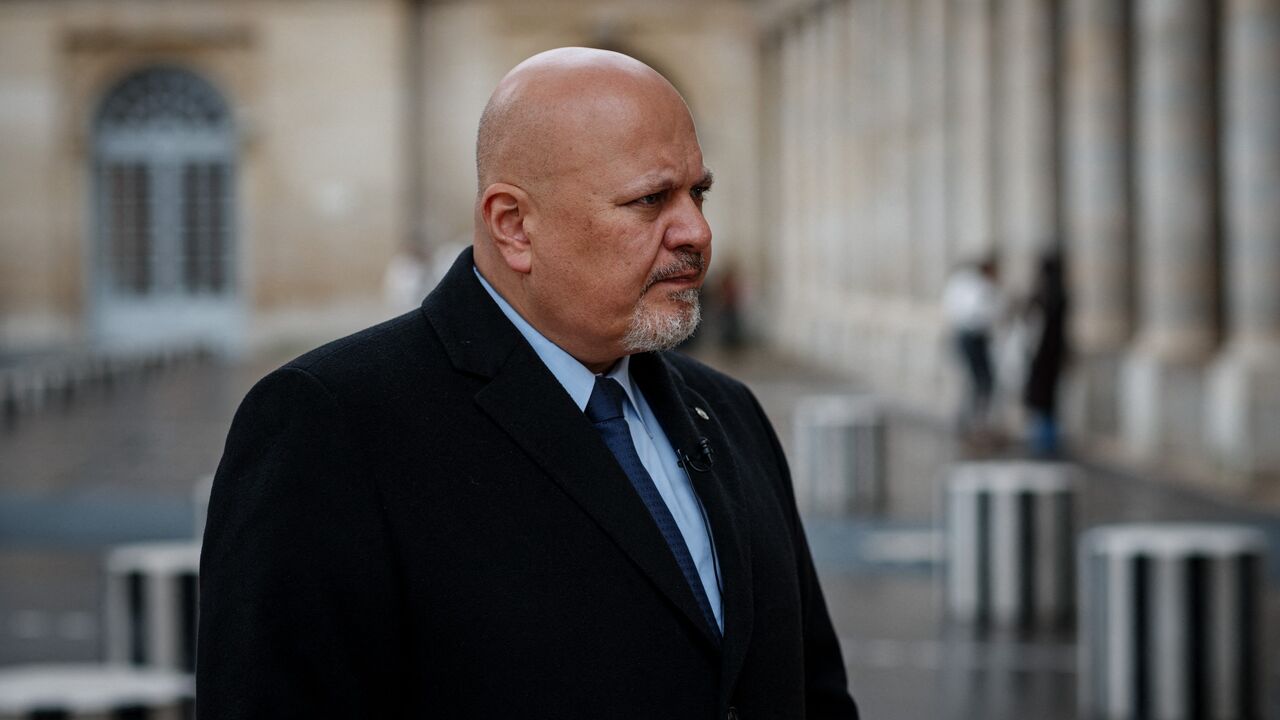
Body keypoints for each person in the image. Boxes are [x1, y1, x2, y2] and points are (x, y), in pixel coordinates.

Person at [197, 47, 859, 719]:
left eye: (699, 193)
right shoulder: (332, 423)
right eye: (650, 200)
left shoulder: (729, 411)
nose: (696, 231)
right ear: (514, 225)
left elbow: (813, 693)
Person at [942, 255, 1002, 441]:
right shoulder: (979, 288)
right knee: (982, 382)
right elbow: (980, 315)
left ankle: (970, 423)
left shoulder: (963, 284)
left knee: (975, 381)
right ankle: (976, 425)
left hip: (964, 336)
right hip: (972, 337)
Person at [1022, 249, 1069, 456]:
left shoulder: (1039, 295)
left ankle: (1039, 443)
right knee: (1050, 400)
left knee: (1038, 399)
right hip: (1054, 355)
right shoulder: (1061, 294)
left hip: (1038, 356)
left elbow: (1028, 325)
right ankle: (1049, 442)